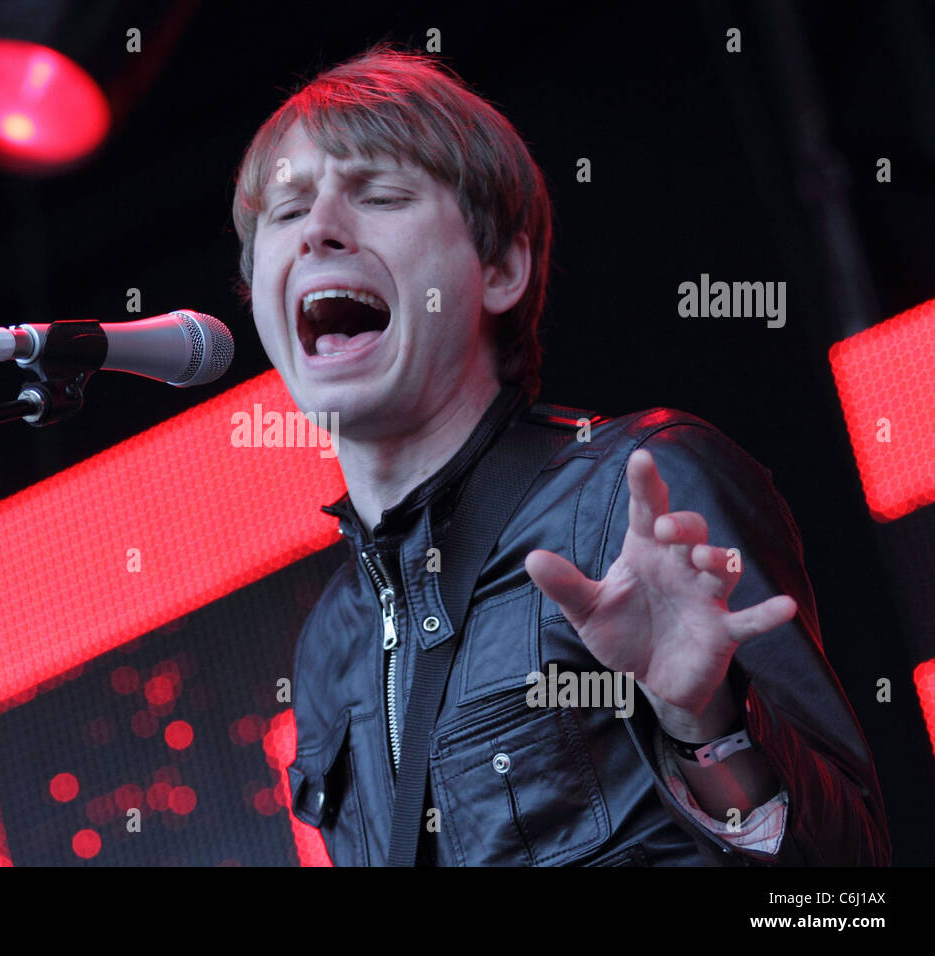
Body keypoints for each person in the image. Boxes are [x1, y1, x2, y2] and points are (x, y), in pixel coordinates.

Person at [230, 45, 890, 866]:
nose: (318, 230)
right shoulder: (331, 642)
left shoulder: (633, 489)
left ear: (501, 267)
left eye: (381, 195)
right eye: (286, 213)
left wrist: (705, 726)